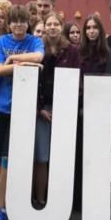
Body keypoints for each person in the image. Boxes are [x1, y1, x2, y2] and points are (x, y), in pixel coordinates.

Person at [0, 4, 44, 220]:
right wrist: (27, 64)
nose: (18, 25)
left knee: (11, 158)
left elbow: (39, 56)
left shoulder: (35, 41)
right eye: (15, 21)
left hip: (23, 108)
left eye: (22, 21)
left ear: (28, 22)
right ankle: (1, 208)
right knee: (1, 159)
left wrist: (13, 61)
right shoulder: (1, 42)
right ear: (9, 24)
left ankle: (8, 207)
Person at [34, 12, 81, 207]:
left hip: (64, 108)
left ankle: (60, 199)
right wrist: (39, 109)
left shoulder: (72, 50)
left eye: (56, 24)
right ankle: (40, 198)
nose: (52, 27)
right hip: (42, 108)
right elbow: (32, 80)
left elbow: (78, 80)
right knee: (41, 155)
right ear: (44, 26)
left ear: (62, 27)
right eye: (49, 24)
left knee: (62, 155)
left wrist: (68, 107)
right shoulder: (37, 48)